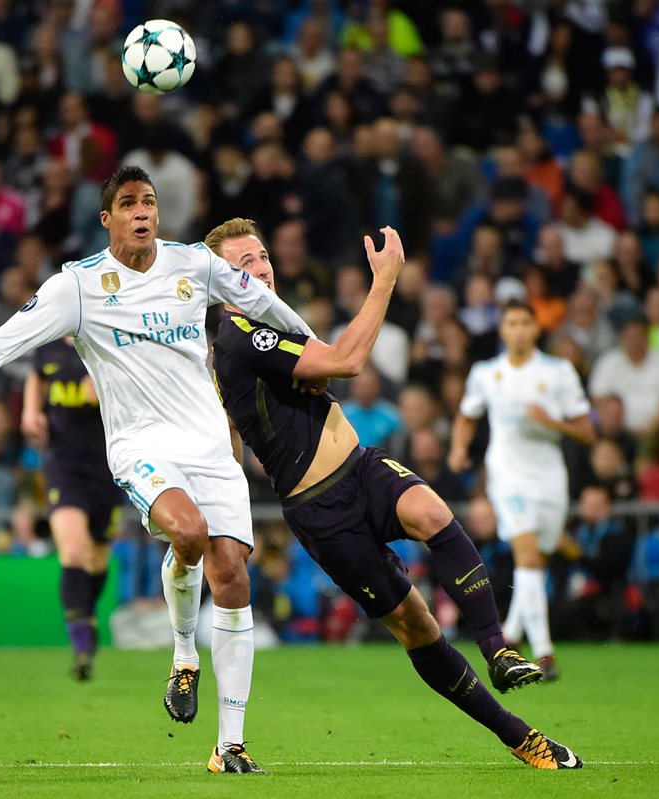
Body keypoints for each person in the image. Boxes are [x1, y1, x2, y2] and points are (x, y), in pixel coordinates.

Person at [0, 166, 315, 774]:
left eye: (148, 201)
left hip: (210, 447)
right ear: (108, 219)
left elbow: (266, 304)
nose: (141, 211)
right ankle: (184, 653)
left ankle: (229, 745)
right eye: (128, 203)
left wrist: (315, 356)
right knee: (188, 533)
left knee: (232, 576)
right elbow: (4, 340)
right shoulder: (78, 286)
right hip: (140, 445)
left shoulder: (195, 264)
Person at [207, 218, 579, 770]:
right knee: (416, 626)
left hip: (360, 468)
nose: (261, 269)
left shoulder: (273, 323)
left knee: (431, 511)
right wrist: (385, 280)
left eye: (262, 257)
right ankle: (519, 736)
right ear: (220, 283)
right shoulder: (242, 336)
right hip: (320, 511)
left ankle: (498, 648)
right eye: (244, 265)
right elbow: (347, 361)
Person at [449, 300, 595, 682]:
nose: (518, 330)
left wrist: (551, 422)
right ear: (503, 330)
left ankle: (511, 635)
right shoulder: (486, 373)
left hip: (550, 479)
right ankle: (545, 653)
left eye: (525, 323)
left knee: (534, 565)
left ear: (535, 329)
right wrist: (459, 448)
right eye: (511, 323)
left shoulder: (558, 371)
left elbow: (587, 431)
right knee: (527, 555)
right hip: (507, 476)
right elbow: (467, 415)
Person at [22, 337, 123, 681]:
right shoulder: (50, 344)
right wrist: (31, 411)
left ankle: (86, 615)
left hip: (108, 465)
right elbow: (37, 373)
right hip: (63, 464)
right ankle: (81, 645)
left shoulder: (108, 338)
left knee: (97, 559)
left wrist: (107, 391)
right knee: (74, 550)